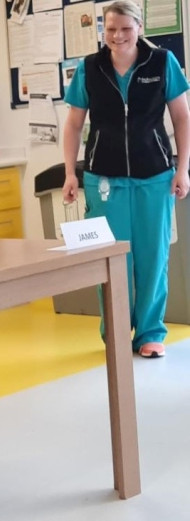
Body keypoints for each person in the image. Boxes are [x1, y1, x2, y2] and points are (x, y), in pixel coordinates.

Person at [62, 0, 190, 358]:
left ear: (139, 28)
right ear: (103, 30)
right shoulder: (89, 68)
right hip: (103, 177)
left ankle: (151, 332)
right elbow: (73, 124)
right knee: (111, 259)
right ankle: (116, 331)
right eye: (111, 29)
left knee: (152, 256)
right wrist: (70, 172)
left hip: (156, 174)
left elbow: (182, 117)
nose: (118, 36)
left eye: (125, 28)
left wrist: (183, 169)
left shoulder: (163, 62)